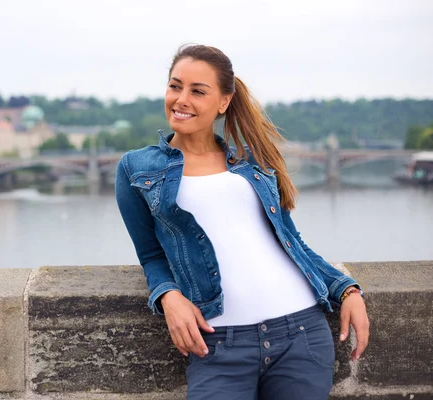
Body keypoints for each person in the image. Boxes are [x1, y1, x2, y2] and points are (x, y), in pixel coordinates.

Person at [114, 44, 369, 400]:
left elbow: (292, 243)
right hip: (218, 345)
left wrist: (347, 290)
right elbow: (151, 255)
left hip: (301, 332)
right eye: (175, 86)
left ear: (223, 101)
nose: (181, 99)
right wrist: (168, 296)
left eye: (197, 91)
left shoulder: (252, 162)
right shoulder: (137, 167)